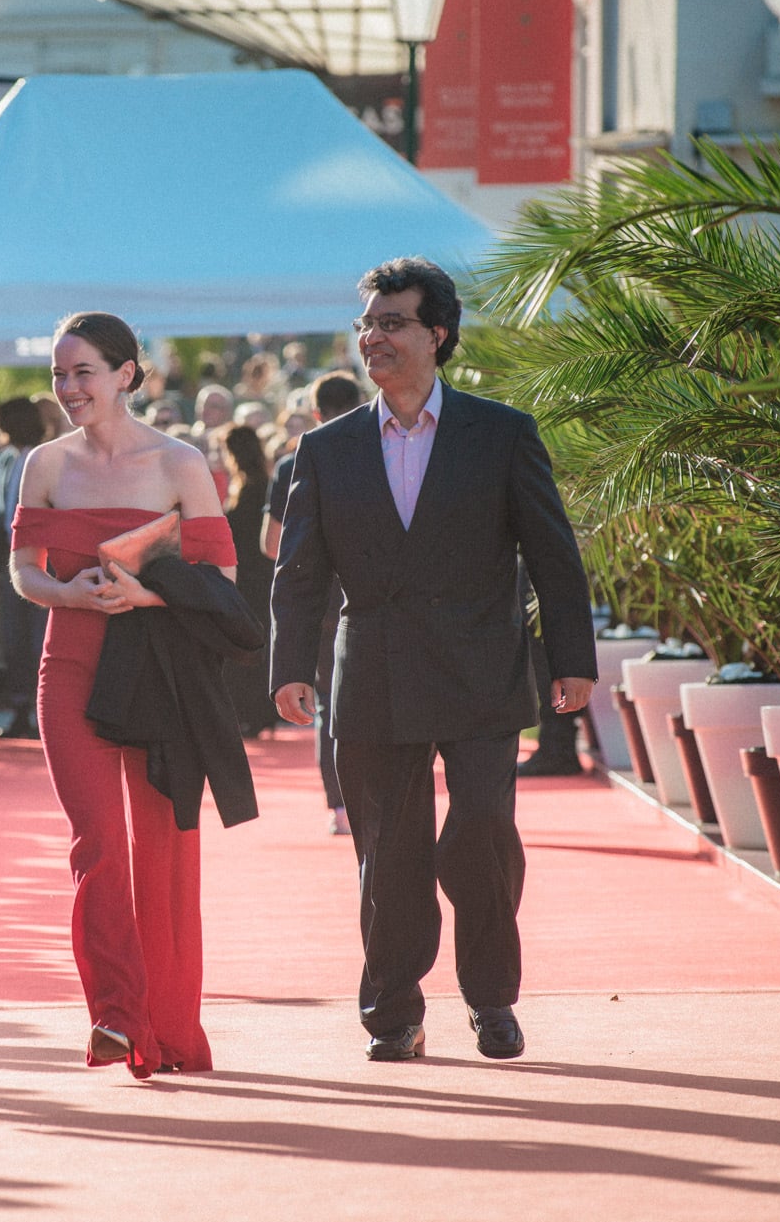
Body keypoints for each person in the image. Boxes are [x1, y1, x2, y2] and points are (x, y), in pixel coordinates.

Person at [269, 258, 595, 1064]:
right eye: (366, 325)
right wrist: (289, 666)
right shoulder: (328, 449)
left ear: (437, 334)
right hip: (372, 672)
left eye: (391, 323)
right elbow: (301, 571)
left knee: (480, 836)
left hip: (481, 670)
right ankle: (392, 1012)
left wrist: (572, 657)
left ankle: (491, 999)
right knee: (389, 852)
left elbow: (553, 554)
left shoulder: (502, 432)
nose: (372, 338)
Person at [8, 311, 241, 1078]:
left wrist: (144, 596)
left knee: (165, 851)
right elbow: (24, 572)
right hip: (69, 670)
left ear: (126, 374)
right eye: (58, 373)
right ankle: (115, 1015)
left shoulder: (181, 464)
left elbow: (223, 581)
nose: (69, 387)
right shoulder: (44, 462)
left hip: (156, 676)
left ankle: (170, 1030)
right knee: (98, 844)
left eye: (83, 372)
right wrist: (70, 593)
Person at [263, 370, 363, 836]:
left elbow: (271, 543)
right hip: (367, 599)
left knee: (330, 705)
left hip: (318, 602)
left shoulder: (292, 463)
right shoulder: (380, 453)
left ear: (317, 413)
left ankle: (340, 806)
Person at [0, 396, 47, 740]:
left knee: (38, 640)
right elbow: (4, 517)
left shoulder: (42, 457)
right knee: (15, 641)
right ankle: (20, 710)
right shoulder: (7, 460)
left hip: (40, 560)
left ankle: (40, 715)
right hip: (12, 560)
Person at [213, 422, 276, 737]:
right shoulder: (257, 485)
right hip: (257, 579)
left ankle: (252, 713)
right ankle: (258, 713)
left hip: (249, 580)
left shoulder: (251, 489)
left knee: (247, 645)